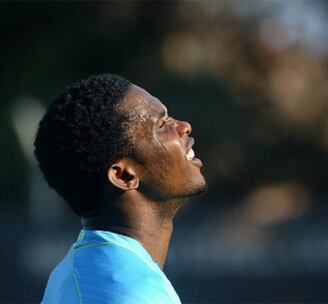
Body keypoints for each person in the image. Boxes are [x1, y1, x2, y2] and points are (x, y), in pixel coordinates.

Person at [34, 74, 207, 303]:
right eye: (162, 124)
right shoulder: (125, 290)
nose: (184, 126)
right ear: (123, 175)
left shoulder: (88, 270)